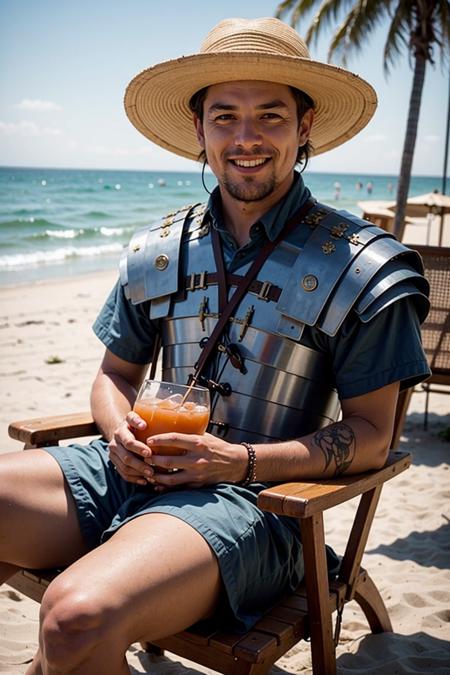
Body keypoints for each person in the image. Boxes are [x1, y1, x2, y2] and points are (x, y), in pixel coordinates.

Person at [0, 17, 431, 675]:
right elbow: (115, 375)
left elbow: (373, 436)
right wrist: (120, 436)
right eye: (225, 116)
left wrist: (239, 460)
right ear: (199, 129)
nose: (246, 137)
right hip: (137, 468)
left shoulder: (362, 267)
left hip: (262, 503)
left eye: (270, 115)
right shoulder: (158, 248)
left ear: (305, 123)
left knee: (73, 617)